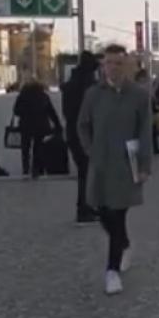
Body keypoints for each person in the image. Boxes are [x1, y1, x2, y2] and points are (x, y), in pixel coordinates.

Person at [77, 44, 152, 296]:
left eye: (118, 63)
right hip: (101, 163)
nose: (113, 68)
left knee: (118, 213)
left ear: (127, 65)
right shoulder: (93, 94)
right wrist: (90, 149)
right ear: (103, 66)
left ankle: (112, 271)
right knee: (101, 210)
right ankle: (125, 243)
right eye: (109, 63)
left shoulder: (138, 96)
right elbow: (82, 125)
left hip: (127, 163)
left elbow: (145, 131)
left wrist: (145, 165)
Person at [62, 51, 102, 224]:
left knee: (85, 171)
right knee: (87, 172)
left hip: (73, 132)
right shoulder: (88, 86)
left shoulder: (71, 84)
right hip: (86, 133)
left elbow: (67, 112)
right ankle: (84, 209)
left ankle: (87, 206)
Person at [13, 77, 62, 179]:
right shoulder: (43, 96)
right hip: (41, 127)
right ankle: (36, 169)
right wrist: (58, 125)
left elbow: (16, 111)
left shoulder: (22, 96)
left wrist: (25, 113)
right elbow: (51, 111)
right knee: (38, 148)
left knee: (25, 149)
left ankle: (26, 168)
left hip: (26, 127)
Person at [134, 68, 159, 156]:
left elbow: (157, 84)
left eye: (146, 76)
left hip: (150, 108)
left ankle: (155, 149)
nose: (146, 78)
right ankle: (147, 149)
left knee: (153, 130)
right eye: (144, 76)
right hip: (142, 110)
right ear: (140, 77)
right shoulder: (137, 87)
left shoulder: (147, 85)